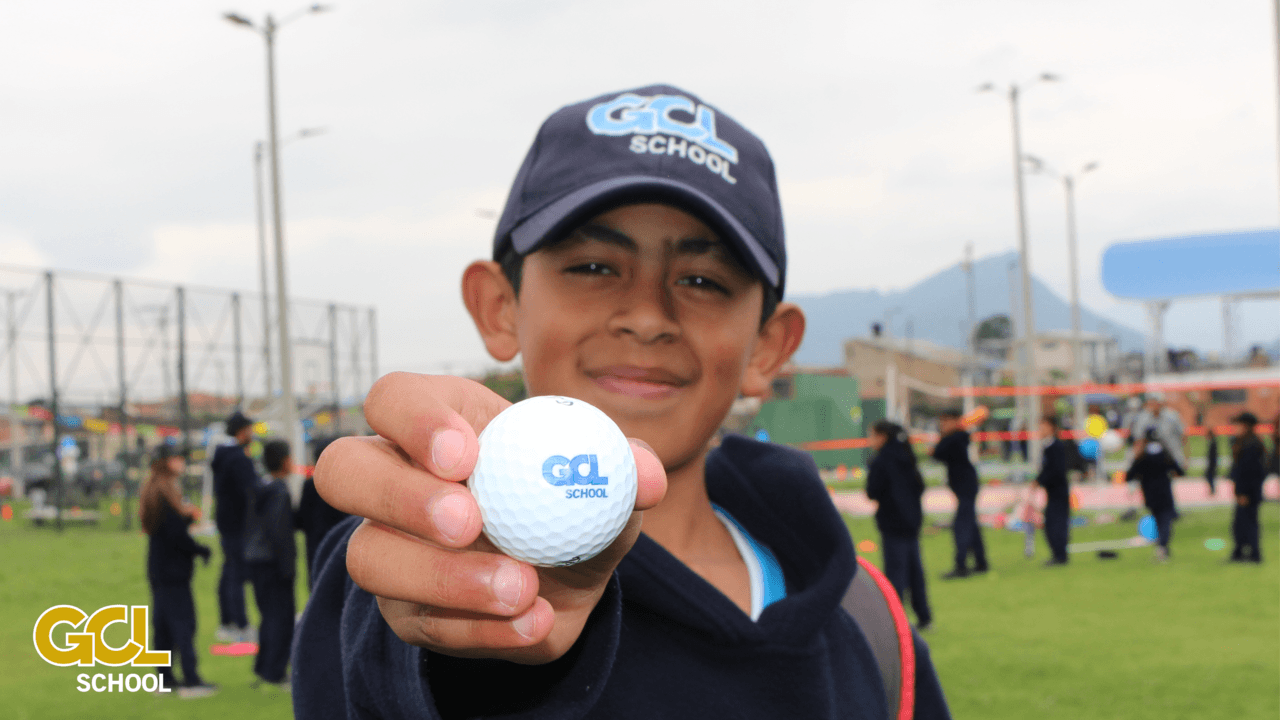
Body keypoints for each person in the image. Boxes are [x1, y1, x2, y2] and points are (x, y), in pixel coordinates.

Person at [291, 85, 951, 719]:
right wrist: (472, 637)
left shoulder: (868, 621)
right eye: (595, 267)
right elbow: (393, 666)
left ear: (767, 348)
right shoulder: (428, 558)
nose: (646, 316)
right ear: (499, 307)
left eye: (702, 279)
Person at [139, 444, 218, 698]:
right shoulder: (164, 492)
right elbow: (175, 534)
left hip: (159, 567)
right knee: (184, 623)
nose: (181, 462)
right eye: (176, 458)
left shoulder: (154, 489)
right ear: (166, 462)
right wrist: (200, 549)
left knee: (163, 626)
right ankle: (191, 680)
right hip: (173, 569)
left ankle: (164, 679)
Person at [867, 420, 933, 628]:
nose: (870, 441)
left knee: (896, 574)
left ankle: (895, 621)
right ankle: (924, 616)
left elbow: (872, 491)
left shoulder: (882, 461)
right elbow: (920, 486)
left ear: (882, 436)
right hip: (911, 522)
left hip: (893, 523)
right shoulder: (908, 456)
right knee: (915, 571)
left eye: (873, 436)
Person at [244, 439, 297, 686]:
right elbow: (279, 532)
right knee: (281, 617)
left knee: (267, 616)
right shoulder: (279, 491)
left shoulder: (260, 486)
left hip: (256, 559)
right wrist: (288, 566)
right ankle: (275, 672)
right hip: (273, 562)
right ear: (285, 460)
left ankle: (263, 666)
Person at [210, 410, 257, 643]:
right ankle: (241, 625)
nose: (252, 434)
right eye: (249, 429)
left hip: (226, 522)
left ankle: (226, 622)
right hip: (238, 524)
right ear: (241, 431)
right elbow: (251, 490)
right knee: (236, 575)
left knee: (229, 572)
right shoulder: (238, 459)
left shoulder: (223, 456)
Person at [932, 410, 987, 578]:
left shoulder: (957, 437)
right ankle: (980, 562)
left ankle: (961, 565)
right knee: (970, 525)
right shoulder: (956, 437)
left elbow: (937, 452)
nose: (942, 426)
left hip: (966, 486)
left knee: (961, 525)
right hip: (964, 486)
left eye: (945, 422)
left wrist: (943, 436)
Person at [294, 435, 351, 589]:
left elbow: (301, 518)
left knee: (317, 584)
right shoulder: (342, 484)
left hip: (314, 543)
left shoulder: (309, 485)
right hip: (339, 541)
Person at [1126, 429, 1184, 561]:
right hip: (1164, 492)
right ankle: (1163, 545)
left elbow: (1130, 475)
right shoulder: (1164, 453)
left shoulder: (1143, 456)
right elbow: (1178, 470)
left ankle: (1162, 546)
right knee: (1166, 519)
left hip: (1150, 494)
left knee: (1159, 519)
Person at [1229, 412, 1267, 563]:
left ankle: (1252, 553)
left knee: (1248, 522)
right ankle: (1240, 551)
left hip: (1249, 491)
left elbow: (1249, 471)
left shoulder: (1251, 444)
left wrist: (1243, 492)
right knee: (1240, 523)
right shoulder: (1244, 442)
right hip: (1246, 490)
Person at [1038, 415, 1071, 566]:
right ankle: (1057, 554)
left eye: (1043, 426)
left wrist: (1039, 480)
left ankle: (1060, 556)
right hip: (1053, 492)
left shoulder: (1055, 447)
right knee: (1051, 523)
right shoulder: (1048, 446)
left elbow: (1055, 470)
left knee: (1056, 524)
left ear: (1051, 427)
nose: (1040, 430)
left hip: (1058, 492)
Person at [1127, 392, 1186, 470]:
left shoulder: (1172, 416)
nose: (1153, 405)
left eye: (1155, 402)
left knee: (1178, 462)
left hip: (1170, 450)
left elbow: (1183, 435)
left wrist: (1185, 455)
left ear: (1161, 403)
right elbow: (1138, 439)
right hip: (1148, 450)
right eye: (1151, 402)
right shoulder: (1142, 418)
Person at [1204, 427, 1219, 495]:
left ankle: (1212, 490)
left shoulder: (1213, 443)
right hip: (1212, 463)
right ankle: (1212, 489)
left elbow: (1214, 455)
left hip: (1212, 463)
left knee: (1209, 476)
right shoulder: (1212, 442)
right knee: (1209, 477)